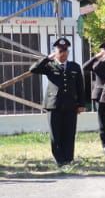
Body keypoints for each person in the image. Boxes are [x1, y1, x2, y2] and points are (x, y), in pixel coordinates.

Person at [28, 37, 85, 165]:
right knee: (56, 134)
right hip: (53, 105)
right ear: (55, 51)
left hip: (71, 105)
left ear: (68, 52)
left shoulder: (75, 67)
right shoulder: (49, 65)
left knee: (69, 133)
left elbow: (80, 87)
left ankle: (68, 158)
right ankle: (59, 159)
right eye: (60, 51)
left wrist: (81, 104)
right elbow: (33, 69)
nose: (63, 53)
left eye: (65, 51)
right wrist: (47, 58)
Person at [83, 41, 105, 153]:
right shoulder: (97, 62)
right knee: (103, 122)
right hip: (100, 95)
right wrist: (97, 56)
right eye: (104, 50)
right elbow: (85, 67)